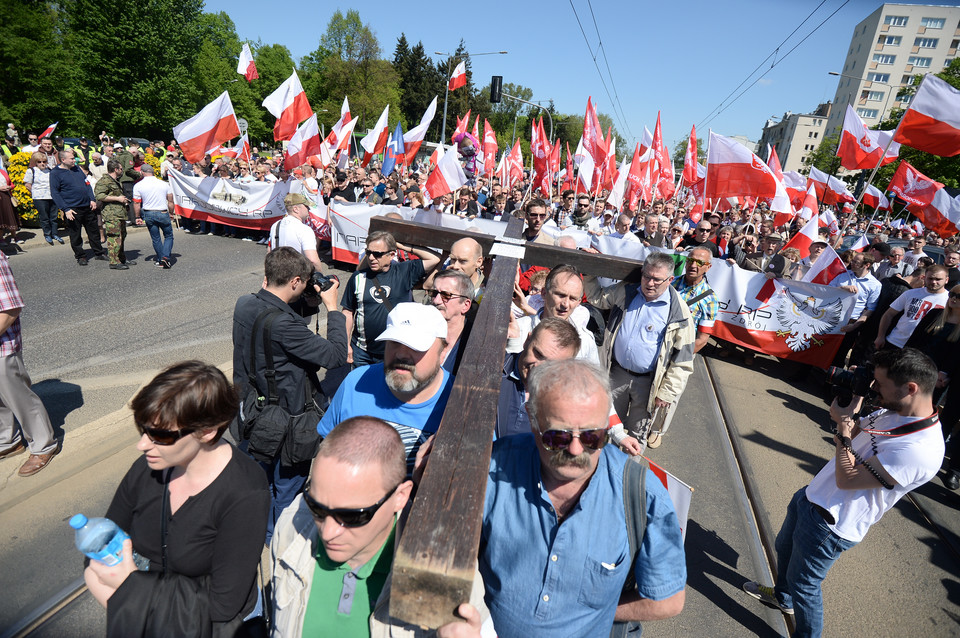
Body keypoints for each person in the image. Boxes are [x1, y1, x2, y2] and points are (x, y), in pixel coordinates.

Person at [475, 358, 686, 637]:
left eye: (592, 436)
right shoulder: (492, 466)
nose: (575, 449)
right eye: (558, 437)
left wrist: (594, 614)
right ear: (532, 417)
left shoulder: (642, 496)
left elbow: (668, 600)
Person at [743, 348, 945, 637]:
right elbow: (860, 428)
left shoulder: (921, 450)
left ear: (910, 388)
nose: (875, 389)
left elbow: (848, 479)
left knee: (805, 586)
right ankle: (782, 598)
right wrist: (851, 411)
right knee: (783, 548)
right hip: (812, 497)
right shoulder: (896, 410)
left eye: (880, 384)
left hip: (832, 524)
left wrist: (842, 430)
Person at [83, 361, 271, 635]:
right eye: (143, 429)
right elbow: (100, 545)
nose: (143, 444)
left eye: (160, 435)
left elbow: (222, 605)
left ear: (207, 431)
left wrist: (130, 587)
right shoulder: (147, 469)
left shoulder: (245, 492)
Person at [233, 247, 347, 537]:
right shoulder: (286, 326)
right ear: (296, 281)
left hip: (254, 413)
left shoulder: (245, 304)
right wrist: (332, 307)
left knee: (261, 483)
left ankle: (258, 532)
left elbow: (272, 314)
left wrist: (308, 300)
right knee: (285, 491)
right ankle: (276, 542)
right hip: (289, 422)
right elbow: (334, 356)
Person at [270, 416, 415, 637]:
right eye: (315, 507)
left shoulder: (443, 572)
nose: (327, 532)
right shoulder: (292, 525)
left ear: (400, 496)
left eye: (351, 516)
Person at [319, 303, 453, 476]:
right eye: (394, 343)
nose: (401, 354)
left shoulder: (461, 401)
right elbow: (327, 448)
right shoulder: (357, 382)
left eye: (416, 346)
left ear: (443, 352)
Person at [584, 252, 696, 448]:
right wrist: (590, 269)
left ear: (670, 280)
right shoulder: (626, 292)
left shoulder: (679, 312)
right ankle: (603, 467)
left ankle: (627, 473)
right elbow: (597, 298)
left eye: (657, 280)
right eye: (646, 276)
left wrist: (667, 393)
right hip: (616, 374)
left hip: (649, 385)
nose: (650, 283)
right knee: (606, 425)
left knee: (636, 436)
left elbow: (683, 361)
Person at [341, 231, 440, 367]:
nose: (371, 258)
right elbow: (347, 312)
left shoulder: (405, 271)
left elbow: (435, 258)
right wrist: (346, 344)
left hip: (395, 351)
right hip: (362, 352)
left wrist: (404, 246)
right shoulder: (358, 277)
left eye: (377, 254)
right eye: (368, 252)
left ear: (391, 255)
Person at [0, 252, 58, 476]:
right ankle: (8, 441)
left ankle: (44, 445)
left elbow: (10, 309)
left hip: (2, 345)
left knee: (18, 396)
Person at [497, 317, 580, 438]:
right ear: (527, 340)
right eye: (538, 354)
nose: (538, 367)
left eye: (551, 365)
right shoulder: (492, 368)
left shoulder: (566, 403)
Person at [508, 264, 600, 364]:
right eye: (561, 295)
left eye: (572, 298)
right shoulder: (519, 328)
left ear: (579, 302)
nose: (566, 304)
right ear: (544, 293)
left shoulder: (585, 341)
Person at [874, 265, 950, 350]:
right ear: (924, 278)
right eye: (930, 278)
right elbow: (888, 314)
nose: (933, 282)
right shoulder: (910, 293)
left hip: (920, 349)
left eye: (938, 279)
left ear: (946, 280)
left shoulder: (949, 301)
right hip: (894, 342)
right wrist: (880, 336)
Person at [50, 150, 106, 266]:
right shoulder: (55, 173)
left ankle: (99, 253)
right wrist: (65, 209)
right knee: (75, 234)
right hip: (72, 208)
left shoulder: (77, 169)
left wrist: (92, 199)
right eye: (71, 158)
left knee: (93, 231)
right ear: (63, 160)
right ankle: (81, 256)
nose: (74, 160)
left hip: (87, 206)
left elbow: (87, 184)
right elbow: (55, 193)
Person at [426, 270, 475, 374]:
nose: (436, 301)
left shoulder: (475, 342)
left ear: (465, 305)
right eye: (434, 293)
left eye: (446, 295)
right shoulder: (419, 331)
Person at [673, 247, 719, 353]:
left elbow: (702, 339)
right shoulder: (669, 284)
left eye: (699, 263)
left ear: (708, 267)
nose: (693, 266)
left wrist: (679, 357)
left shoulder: (710, 300)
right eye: (690, 261)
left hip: (680, 351)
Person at [94, 159, 137, 270]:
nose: (122, 171)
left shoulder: (116, 181)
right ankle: (114, 261)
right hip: (111, 214)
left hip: (119, 213)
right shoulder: (104, 181)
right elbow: (99, 196)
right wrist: (117, 198)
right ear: (116, 169)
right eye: (121, 169)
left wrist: (124, 200)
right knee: (114, 237)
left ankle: (121, 258)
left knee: (121, 236)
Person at [132, 164, 175, 268]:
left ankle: (161, 260)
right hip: (163, 212)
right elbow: (170, 201)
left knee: (156, 238)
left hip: (148, 213)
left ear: (142, 172)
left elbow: (137, 203)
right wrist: (171, 213)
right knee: (168, 236)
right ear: (152, 172)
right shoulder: (164, 184)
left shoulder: (138, 185)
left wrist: (137, 217)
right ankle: (165, 256)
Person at [269, 193, 323, 273]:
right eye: (306, 206)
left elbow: (269, 251)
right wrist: (320, 275)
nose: (309, 209)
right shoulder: (305, 229)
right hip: (297, 277)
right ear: (296, 209)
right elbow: (313, 260)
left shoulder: (276, 225)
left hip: (278, 274)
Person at [23, 152, 63, 245]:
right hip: (39, 197)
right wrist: (35, 192)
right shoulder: (31, 171)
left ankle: (55, 233)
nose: (42, 163)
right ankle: (47, 234)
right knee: (44, 217)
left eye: (44, 161)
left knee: (53, 217)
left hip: (51, 196)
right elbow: (27, 184)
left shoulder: (50, 170)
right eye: (39, 162)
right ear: (36, 162)